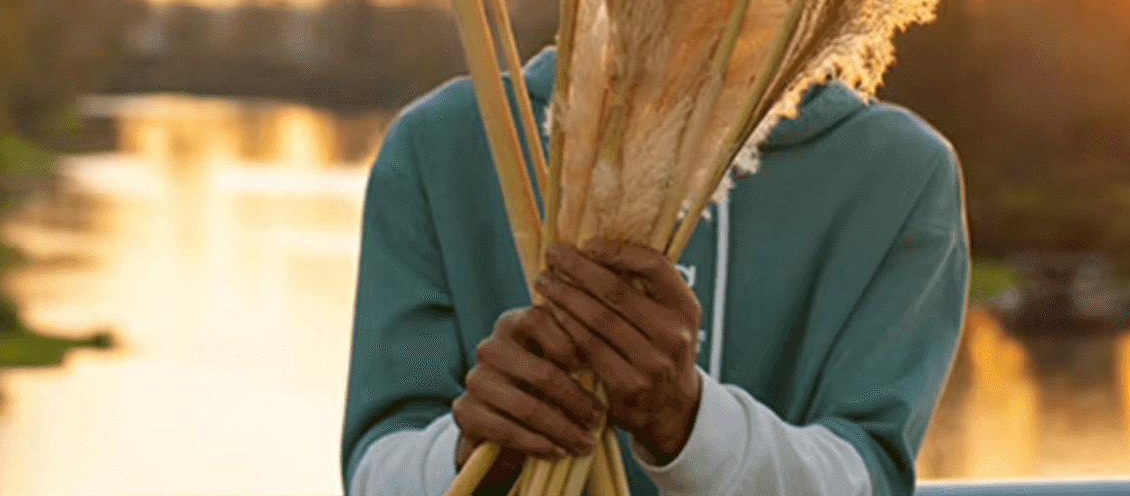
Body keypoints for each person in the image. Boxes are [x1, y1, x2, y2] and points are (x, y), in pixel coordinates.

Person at [341, 44, 967, 495]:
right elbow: (374, 467)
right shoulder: (442, 142)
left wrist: (690, 422)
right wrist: (471, 452)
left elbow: (870, 476)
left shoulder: (898, 173)